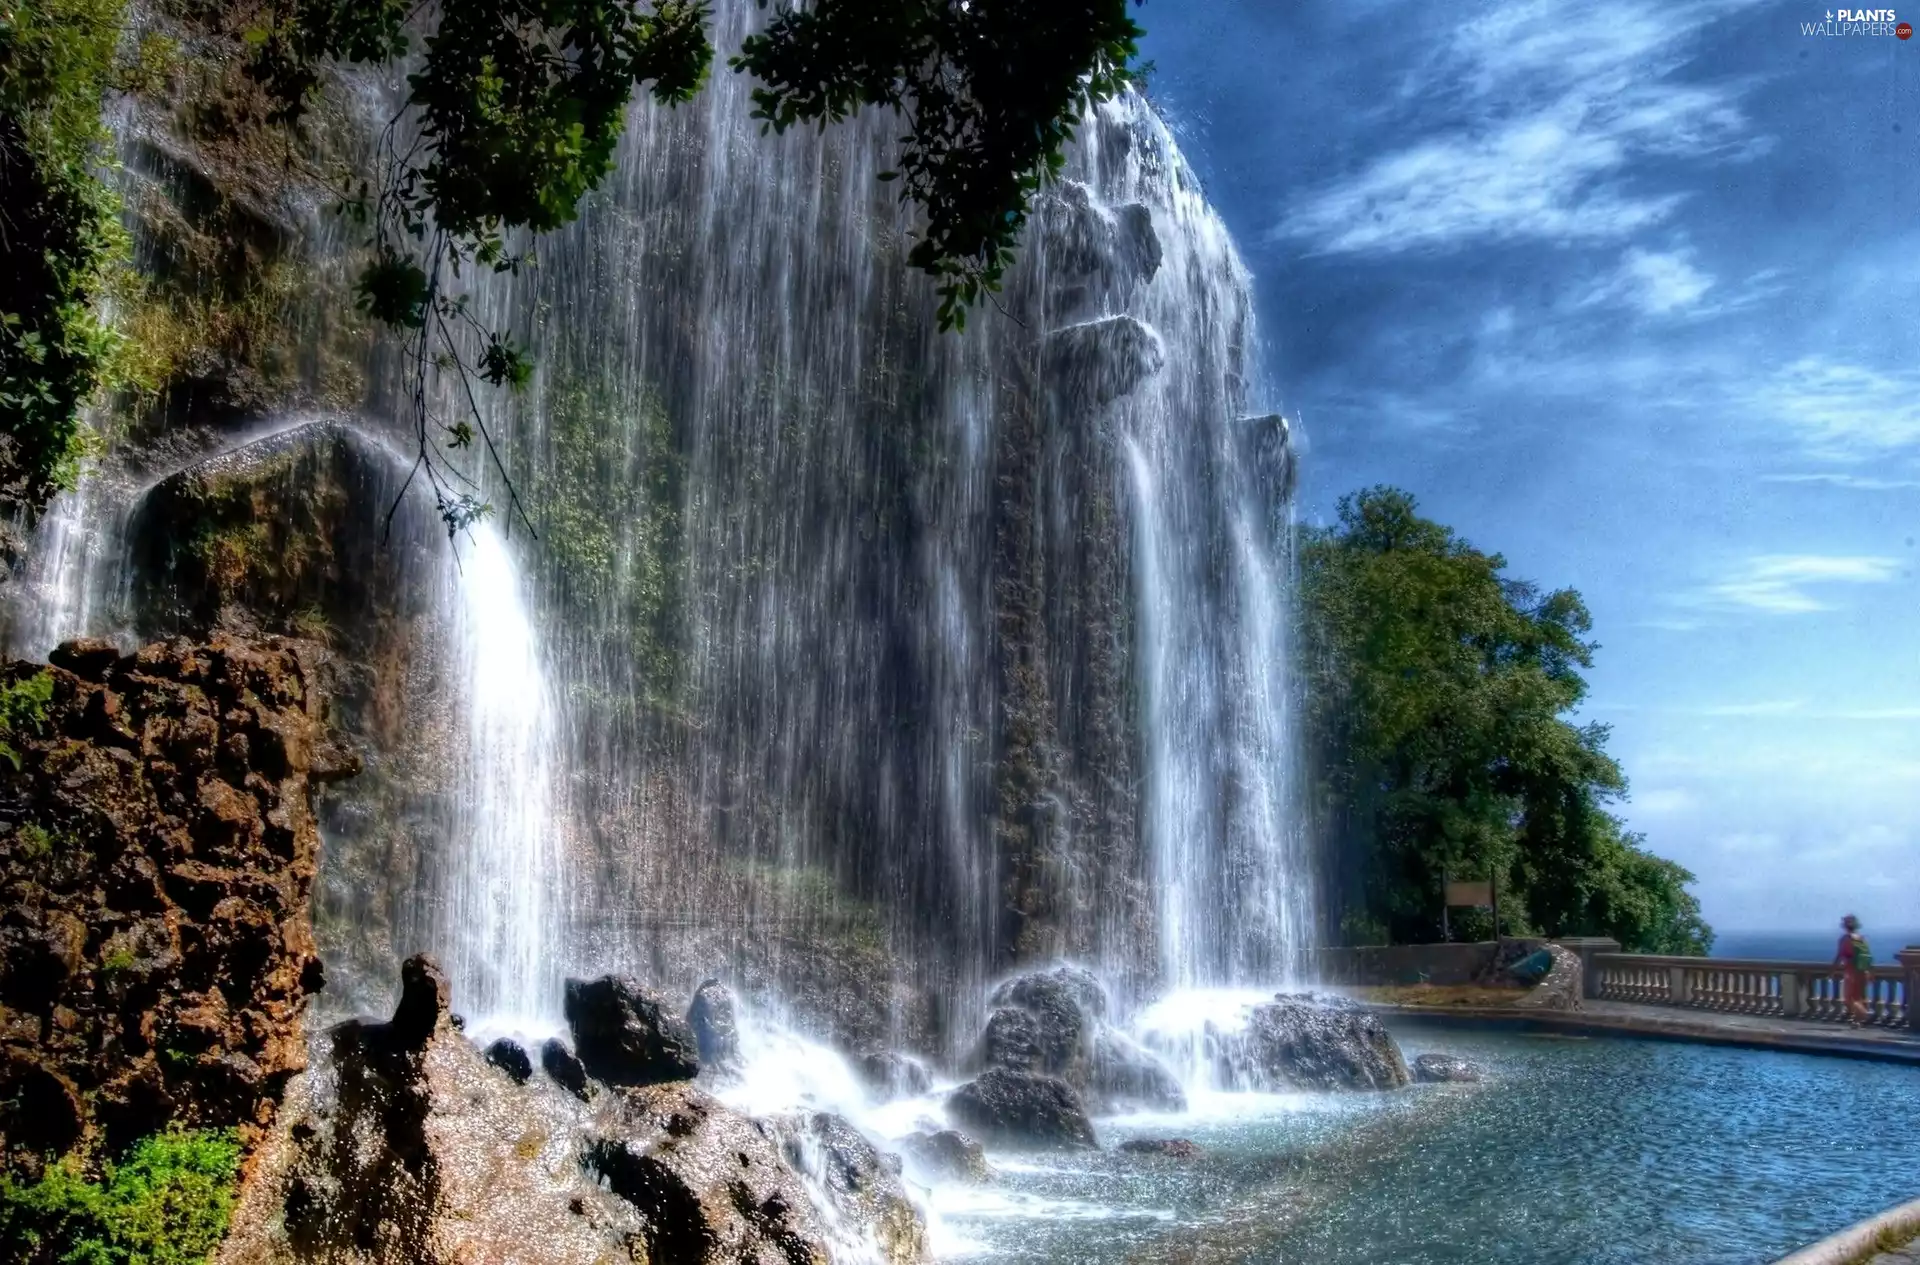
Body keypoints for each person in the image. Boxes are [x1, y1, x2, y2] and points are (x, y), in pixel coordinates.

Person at [1835, 914, 1873, 1028]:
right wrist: (1870, 972)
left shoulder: (1845, 939)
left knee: (1849, 998)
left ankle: (1864, 1014)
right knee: (1859, 997)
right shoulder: (1862, 939)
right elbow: (1868, 957)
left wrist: (1832, 970)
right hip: (1863, 971)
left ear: (1845, 926)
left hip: (1851, 972)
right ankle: (1857, 1021)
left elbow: (1839, 956)